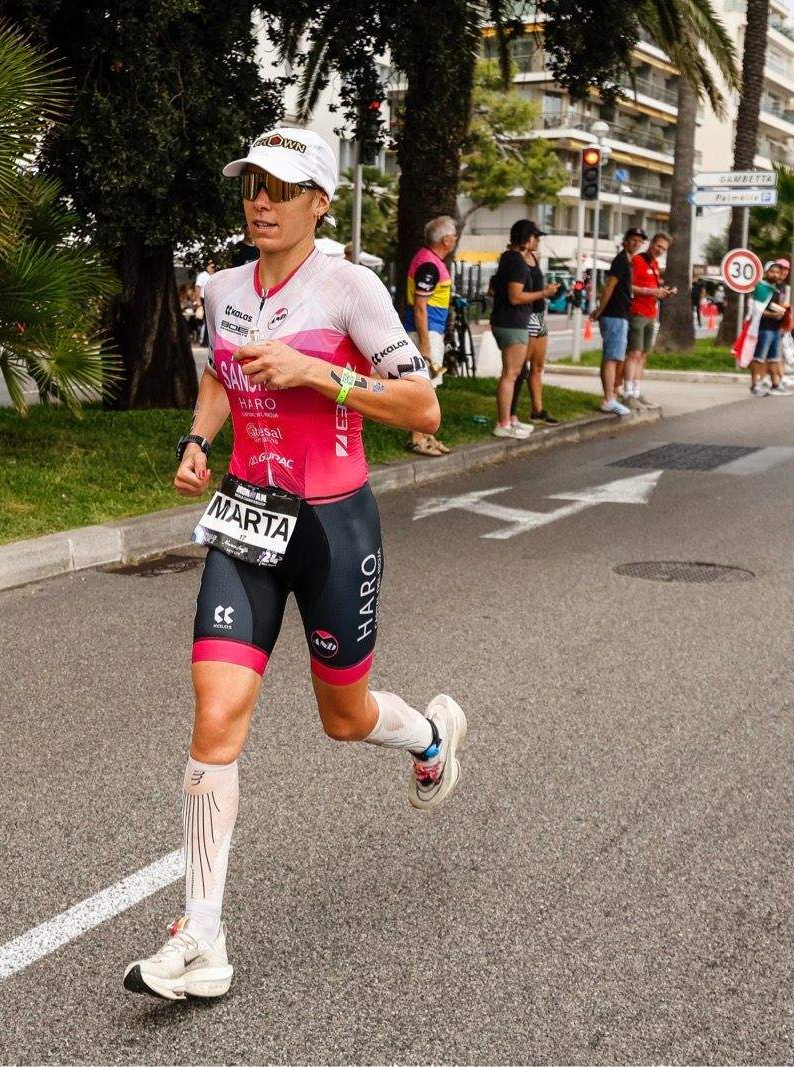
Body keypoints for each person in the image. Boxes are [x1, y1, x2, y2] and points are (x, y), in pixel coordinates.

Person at [124, 126, 468, 1002]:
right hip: (247, 515)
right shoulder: (221, 284)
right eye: (251, 186)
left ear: (320, 201)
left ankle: (431, 738)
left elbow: (422, 401)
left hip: (332, 525)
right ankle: (201, 934)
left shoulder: (350, 289)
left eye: (281, 187)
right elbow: (220, 376)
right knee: (217, 707)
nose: (261, 202)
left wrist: (322, 378)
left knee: (344, 717)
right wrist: (200, 438)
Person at [401, 215, 458, 455]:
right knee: (424, 387)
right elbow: (420, 306)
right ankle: (417, 438)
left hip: (430, 330)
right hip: (424, 331)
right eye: (454, 235)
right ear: (445, 240)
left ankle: (427, 435)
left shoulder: (430, 260)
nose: (455, 239)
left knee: (430, 386)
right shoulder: (429, 265)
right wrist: (425, 343)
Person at [488, 219, 542, 438]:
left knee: (514, 372)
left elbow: (494, 289)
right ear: (526, 238)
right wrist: (543, 293)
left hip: (505, 320)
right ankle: (503, 423)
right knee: (511, 374)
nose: (537, 241)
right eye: (535, 237)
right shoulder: (518, 263)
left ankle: (510, 419)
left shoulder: (507, 258)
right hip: (513, 321)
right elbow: (515, 296)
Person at [589, 227, 645, 416]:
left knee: (617, 358)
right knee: (611, 358)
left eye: (640, 241)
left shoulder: (628, 261)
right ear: (626, 241)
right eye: (633, 239)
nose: (636, 243)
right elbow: (609, 287)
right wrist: (600, 310)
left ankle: (612, 394)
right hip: (613, 315)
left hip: (621, 315)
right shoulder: (621, 261)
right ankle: (608, 399)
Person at [623, 231, 673, 410]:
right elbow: (629, 286)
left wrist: (661, 291)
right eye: (658, 246)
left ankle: (636, 392)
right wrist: (652, 292)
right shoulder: (637, 261)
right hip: (637, 312)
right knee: (634, 353)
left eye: (664, 249)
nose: (660, 250)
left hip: (651, 313)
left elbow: (652, 287)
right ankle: (627, 393)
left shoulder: (655, 265)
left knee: (643, 354)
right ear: (651, 243)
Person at [519, 227, 563, 426]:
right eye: (535, 236)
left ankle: (537, 409)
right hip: (526, 316)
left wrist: (550, 291)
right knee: (521, 366)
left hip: (539, 315)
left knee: (538, 365)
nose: (537, 240)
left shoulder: (535, 258)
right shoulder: (516, 259)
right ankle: (509, 414)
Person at [750, 259, 793, 397]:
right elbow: (758, 310)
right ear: (766, 272)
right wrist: (774, 314)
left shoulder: (776, 288)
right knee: (759, 358)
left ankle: (775, 384)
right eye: (772, 271)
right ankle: (755, 385)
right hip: (763, 328)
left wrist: (782, 312)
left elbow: (775, 305)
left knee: (774, 358)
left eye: (777, 272)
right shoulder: (761, 287)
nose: (775, 274)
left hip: (775, 328)